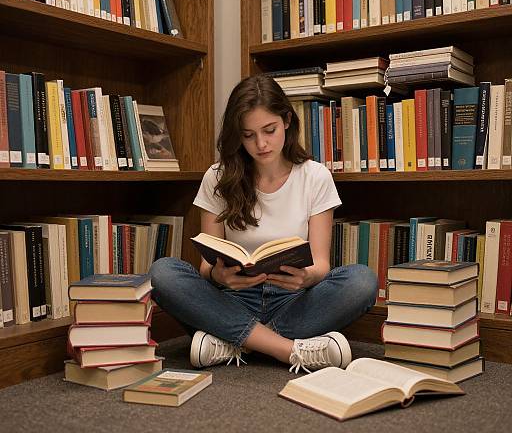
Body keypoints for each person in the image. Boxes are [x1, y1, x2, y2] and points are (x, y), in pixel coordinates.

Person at [150, 75, 378, 373]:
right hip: (232, 298)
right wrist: (219, 276)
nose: (260, 143)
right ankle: (286, 349)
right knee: (163, 273)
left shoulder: (315, 177)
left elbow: (321, 264)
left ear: (286, 121)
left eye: (269, 130)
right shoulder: (218, 178)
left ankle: (232, 341)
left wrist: (305, 278)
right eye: (248, 135)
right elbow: (207, 264)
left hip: (293, 300)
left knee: (362, 281)